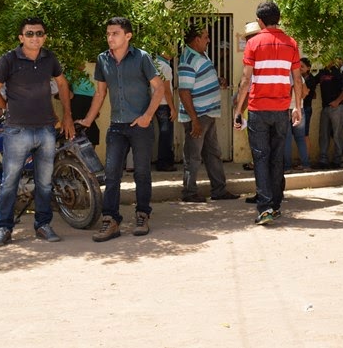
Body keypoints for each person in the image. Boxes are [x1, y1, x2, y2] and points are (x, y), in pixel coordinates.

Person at [0, 18, 73, 246]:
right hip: (17, 131)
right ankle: (3, 228)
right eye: (30, 33)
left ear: (44, 36)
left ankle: (43, 225)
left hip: (45, 129)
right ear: (21, 37)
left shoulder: (49, 58)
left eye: (39, 33)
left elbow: (62, 84)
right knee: (10, 181)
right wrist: (8, 107)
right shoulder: (9, 59)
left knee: (44, 182)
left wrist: (67, 116)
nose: (35, 37)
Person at [80, 17, 165, 242]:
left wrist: (147, 117)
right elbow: (100, 93)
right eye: (108, 34)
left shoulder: (142, 58)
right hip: (116, 126)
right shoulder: (102, 60)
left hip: (140, 126)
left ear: (128, 36)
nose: (110, 38)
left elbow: (159, 88)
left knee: (142, 172)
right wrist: (88, 120)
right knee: (112, 174)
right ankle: (111, 220)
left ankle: (142, 214)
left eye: (115, 33)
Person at [232, 0, 303, 226]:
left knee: (261, 158)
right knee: (276, 157)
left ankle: (265, 207)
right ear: (278, 19)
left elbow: (245, 80)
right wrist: (298, 107)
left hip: (258, 110)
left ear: (260, 21)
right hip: (282, 109)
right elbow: (297, 79)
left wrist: (237, 111)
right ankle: (276, 203)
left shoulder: (254, 44)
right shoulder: (291, 43)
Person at [178, 21, 237, 202]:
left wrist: (216, 80)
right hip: (199, 116)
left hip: (208, 114)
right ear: (196, 40)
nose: (209, 40)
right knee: (193, 156)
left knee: (213, 153)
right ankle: (189, 193)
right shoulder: (188, 59)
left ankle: (219, 190)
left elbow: (199, 79)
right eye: (205, 37)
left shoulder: (200, 55)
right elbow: (184, 91)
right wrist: (194, 119)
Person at [315, 59, 343, 168]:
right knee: (323, 134)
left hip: (337, 107)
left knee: (337, 134)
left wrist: (337, 101)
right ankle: (323, 160)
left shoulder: (337, 72)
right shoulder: (322, 73)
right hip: (325, 107)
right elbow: (311, 82)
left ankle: (337, 159)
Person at [287, 57, 315, 171]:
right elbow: (305, 93)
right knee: (301, 138)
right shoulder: (299, 77)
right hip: (300, 108)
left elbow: (287, 94)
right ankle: (306, 165)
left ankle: (287, 167)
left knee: (286, 139)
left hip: (286, 109)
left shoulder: (285, 76)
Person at [154, 52, 176, 172]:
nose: (172, 53)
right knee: (166, 134)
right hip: (163, 104)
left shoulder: (153, 63)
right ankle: (164, 162)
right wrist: (172, 108)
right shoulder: (165, 67)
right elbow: (166, 90)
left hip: (153, 102)